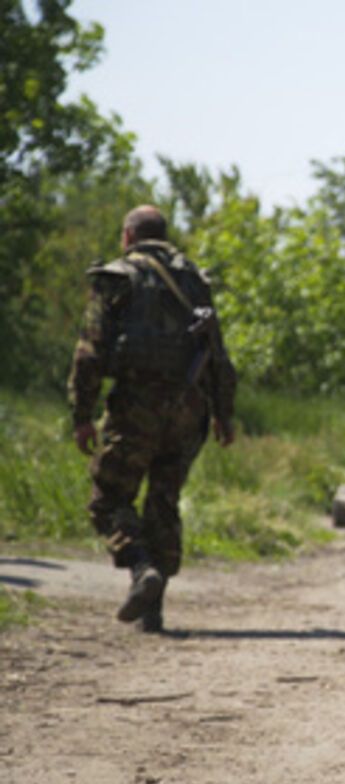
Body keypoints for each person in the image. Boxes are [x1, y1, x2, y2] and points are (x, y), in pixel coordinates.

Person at [68, 205, 237, 634]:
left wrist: (82, 415)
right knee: (163, 502)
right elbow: (217, 353)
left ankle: (142, 568)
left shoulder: (118, 278)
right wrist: (223, 413)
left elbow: (90, 353)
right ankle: (153, 609)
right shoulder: (195, 280)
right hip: (188, 409)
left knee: (108, 498)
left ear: (128, 236)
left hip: (135, 408)